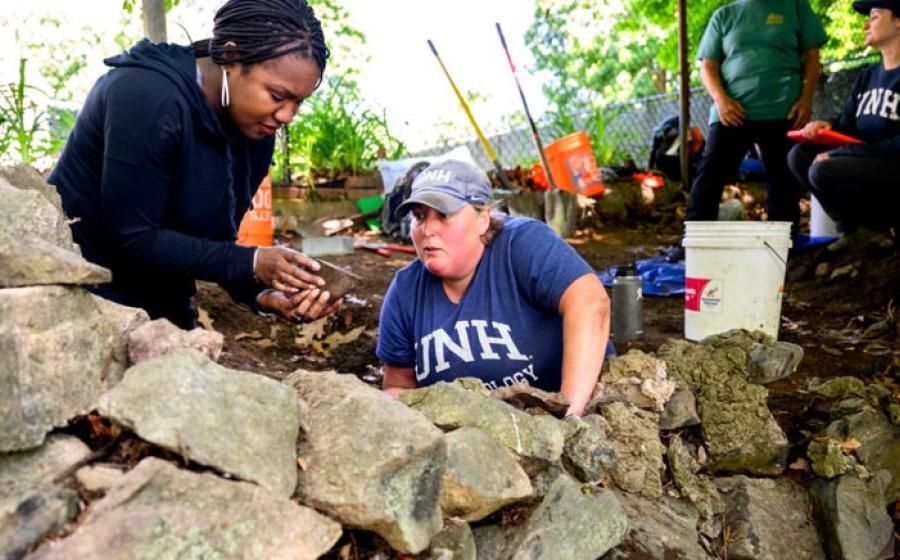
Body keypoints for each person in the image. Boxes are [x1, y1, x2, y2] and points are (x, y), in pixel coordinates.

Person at [48, 0, 339, 329]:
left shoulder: (255, 129)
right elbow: (132, 237)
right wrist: (253, 261)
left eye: (297, 102)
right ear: (230, 58)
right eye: (276, 95)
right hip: (80, 299)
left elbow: (215, 244)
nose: (286, 116)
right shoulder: (147, 95)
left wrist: (264, 294)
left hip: (164, 301)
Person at [376, 160, 612, 417]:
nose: (428, 229)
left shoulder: (522, 245)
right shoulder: (405, 291)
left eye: (443, 215)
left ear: (483, 219)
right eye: (420, 216)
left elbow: (590, 303)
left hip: (570, 417)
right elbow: (399, 388)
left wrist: (569, 419)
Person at [668, 0, 827, 262]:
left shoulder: (796, 6)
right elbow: (708, 65)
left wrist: (806, 99)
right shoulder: (724, 15)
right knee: (710, 176)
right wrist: (721, 100)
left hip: (784, 109)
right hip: (732, 110)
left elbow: (811, 54)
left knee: (783, 179)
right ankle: (693, 243)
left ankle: (782, 245)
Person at [787, 0, 900, 247]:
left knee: (823, 169)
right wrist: (825, 126)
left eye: (875, 16)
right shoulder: (867, 76)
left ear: (898, 21)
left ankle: (885, 223)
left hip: (893, 166)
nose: (865, 25)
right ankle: (857, 230)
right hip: (866, 163)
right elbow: (846, 124)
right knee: (800, 156)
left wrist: (842, 153)